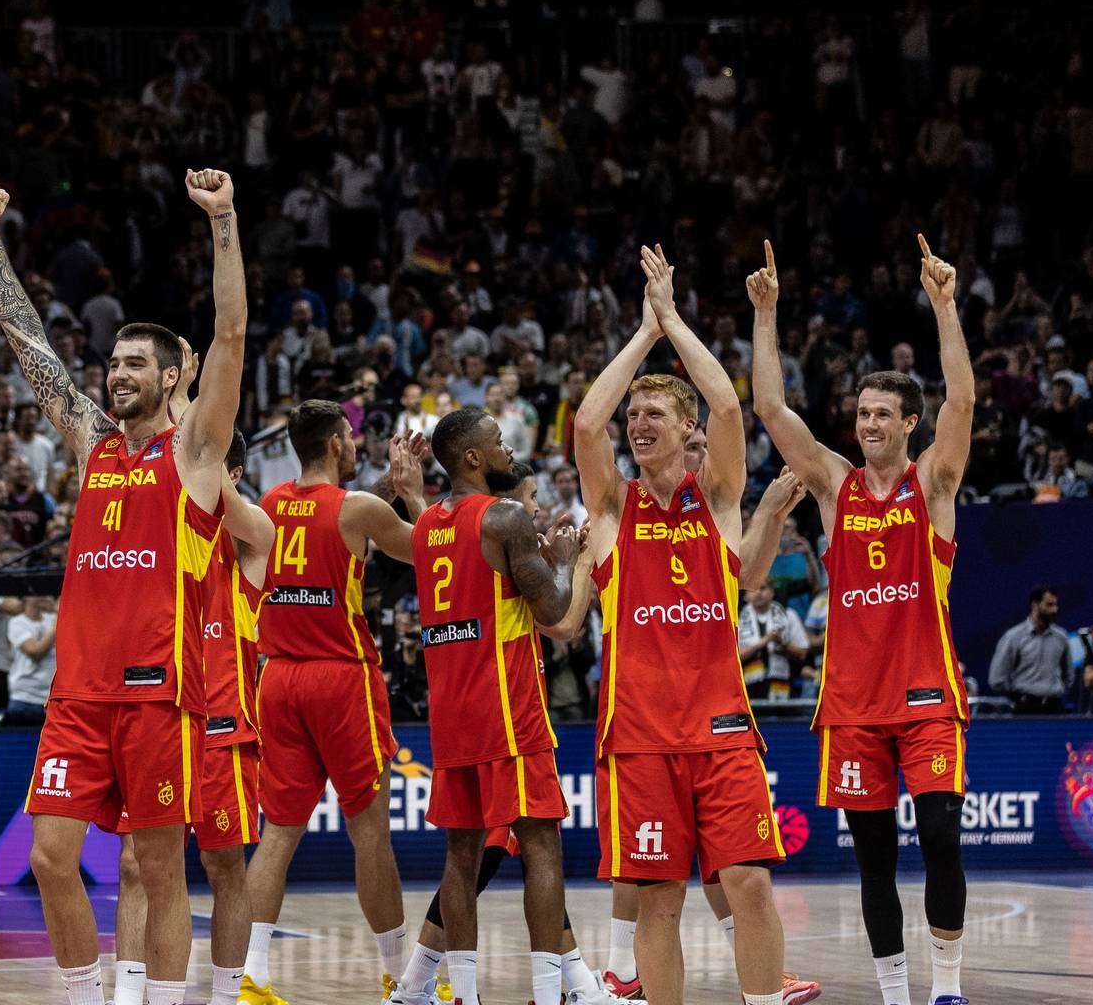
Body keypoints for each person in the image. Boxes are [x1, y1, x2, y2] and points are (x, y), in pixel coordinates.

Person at [0, 170, 246, 1005]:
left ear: (174, 377)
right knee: (50, 859)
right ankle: (82, 995)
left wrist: (224, 222)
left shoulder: (193, 452)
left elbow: (232, 334)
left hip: (160, 691)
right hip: (78, 693)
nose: (116, 372)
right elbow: (30, 348)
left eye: (136, 363)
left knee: (159, 866)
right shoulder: (96, 445)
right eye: (114, 361)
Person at [750, 235, 975, 1005]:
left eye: (882, 413)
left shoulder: (933, 484)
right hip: (851, 706)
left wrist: (945, 306)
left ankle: (947, 986)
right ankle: (893, 994)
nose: (867, 421)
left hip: (924, 697)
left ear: (909, 421)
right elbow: (773, 409)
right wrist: (766, 317)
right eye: (861, 411)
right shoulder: (835, 487)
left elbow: (964, 402)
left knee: (942, 839)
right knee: (872, 860)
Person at [572, 246, 787, 1005]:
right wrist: (642, 332)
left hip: (722, 730)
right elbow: (588, 420)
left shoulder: (719, 499)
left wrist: (675, 320)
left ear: (684, 427)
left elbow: (729, 407)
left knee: (750, 882)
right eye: (636, 417)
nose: (637, 425)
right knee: (658, 901)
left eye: (653, 414)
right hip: (639, 737)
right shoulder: (610, 512)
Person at [243, 399, 426, 1005]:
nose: (355, 444)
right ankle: (398, 976)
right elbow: (424, 551)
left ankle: (252, 975)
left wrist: (386, 490)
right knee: (370, 834)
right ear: (333, 444)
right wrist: (412, 490)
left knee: (277, 835)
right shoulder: (361, 510)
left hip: (279, 679)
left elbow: (341, 516)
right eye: (349, 437)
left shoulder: (269, 505)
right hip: (341, 679)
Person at [396, 406, 577, 1005]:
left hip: (451, 715)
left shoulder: (425, 529)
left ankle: (465, 994)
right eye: (498, 442)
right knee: (541, 847)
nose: (507, 448)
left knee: (461, 854)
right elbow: (553, 612)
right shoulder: (503, 517)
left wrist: (406, 490)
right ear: (473, 458)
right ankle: (551, 992)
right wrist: (568, 563)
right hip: (507, 708)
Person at [112, 423, 277, 1005]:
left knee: (223, 864)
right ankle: (130, 996)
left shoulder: (250, 539)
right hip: (159, 718)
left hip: (223, 731)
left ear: (227, 474)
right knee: (135, 865)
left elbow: (219, 498)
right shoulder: (163, 537)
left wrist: (193, 438)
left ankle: (227, 997)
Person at [987, 587, 1073, 713]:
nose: (1055, 609)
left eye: (1055, 605)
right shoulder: (1014, 637)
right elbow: (997, 678)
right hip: (1025, 707)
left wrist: (1055, 690)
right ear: (1035, 605)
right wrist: (1019, 695)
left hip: (1055, 707)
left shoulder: (1061, 637)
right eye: (1049, 605)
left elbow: (1069, 676)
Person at [1, 594, 56, 726]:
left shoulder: (53, 619)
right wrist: (58, 623)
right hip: (24, 698)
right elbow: (35, 651)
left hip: (51, 699)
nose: (43, 596)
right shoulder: (17, 622)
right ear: (25, 597)